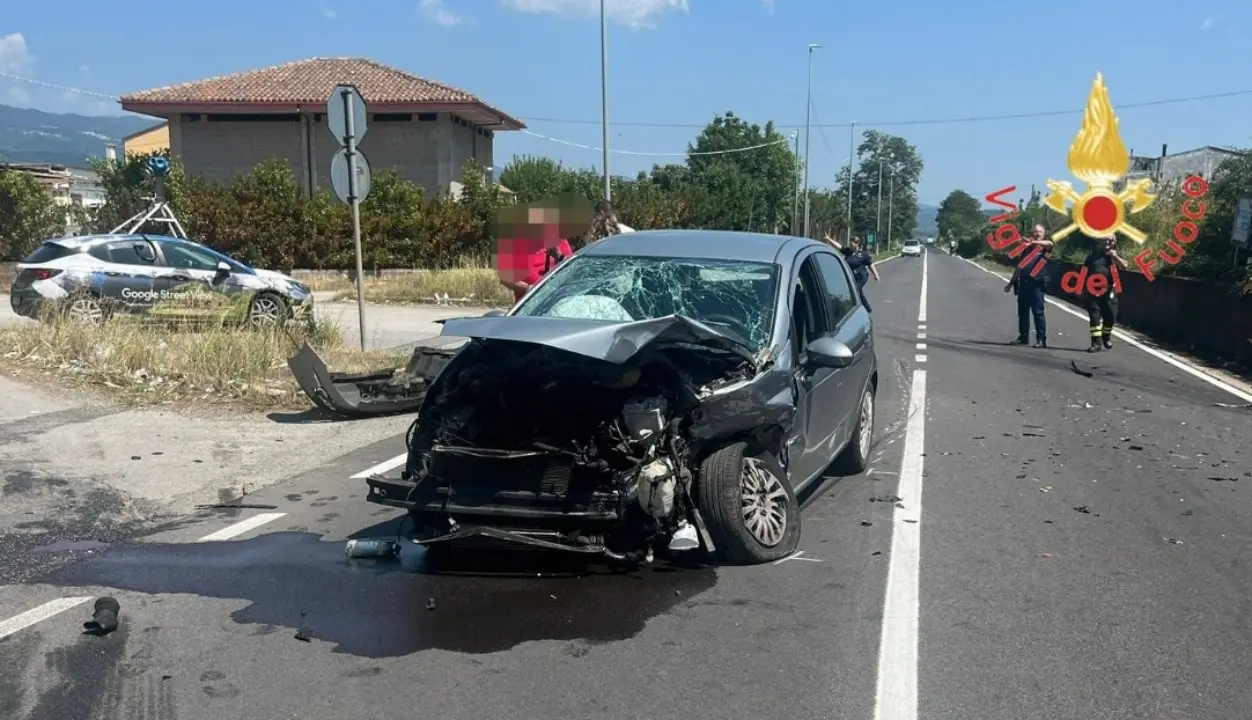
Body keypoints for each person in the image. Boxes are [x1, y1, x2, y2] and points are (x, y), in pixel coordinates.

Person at [1004, 224, 1053, 348]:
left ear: (1044, 233)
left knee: (1038, 312)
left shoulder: (1045, 248)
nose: (1037, 233)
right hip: (1024, 283)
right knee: (1023, 312)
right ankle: (1023, 337)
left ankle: (1041, 339)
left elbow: (1050, 244)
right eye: (1035, 231)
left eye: (1040, 232)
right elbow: (1020, 267)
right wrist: (1011, 283)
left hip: (1037, 283)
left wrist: (1032, 242)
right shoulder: (1026, 249)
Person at [1082, 236, 1128, 352]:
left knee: (1111, 316)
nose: (1107, 242)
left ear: (1115, 242)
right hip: (1093, 290)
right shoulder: (1093, 255)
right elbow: (1084, 272)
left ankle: (1105, 336)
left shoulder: (1116, 255)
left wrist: (1114, 256)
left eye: (1110, 240)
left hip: (1110, 291)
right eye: (1105, 240)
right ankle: (1096, 343)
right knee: (1094, 317)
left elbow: (1125, 266)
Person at [824, 233, 880, 311]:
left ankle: (853, 309)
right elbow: (839, 246)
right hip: (852, 276)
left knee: (854, 290)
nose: (850, 245)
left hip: (861, 276)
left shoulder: (863, 254)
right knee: (858, 292)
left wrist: (876, 274)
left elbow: (870, 265)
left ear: (857, 244)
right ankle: (867, 308)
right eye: (850, 244)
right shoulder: (848, 251)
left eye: (852, 244)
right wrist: (829, 239)